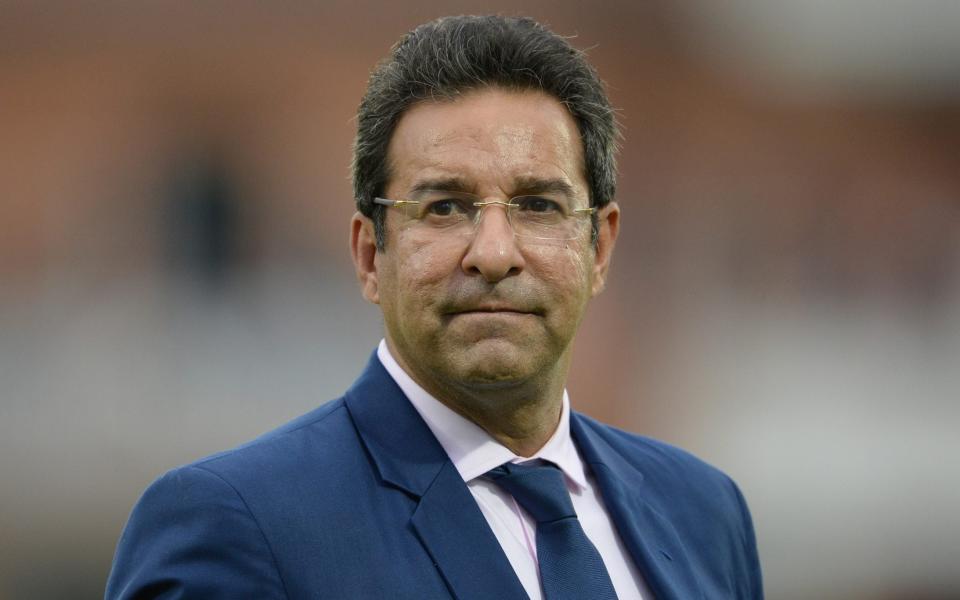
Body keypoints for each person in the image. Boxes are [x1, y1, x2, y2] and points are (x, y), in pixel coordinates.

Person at [106, 15, 763, 600]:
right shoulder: (238, 524)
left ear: (600, 248)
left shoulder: (704, 514)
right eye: (444, 207)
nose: (495, 253)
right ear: (370, 256)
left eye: (539, 205)